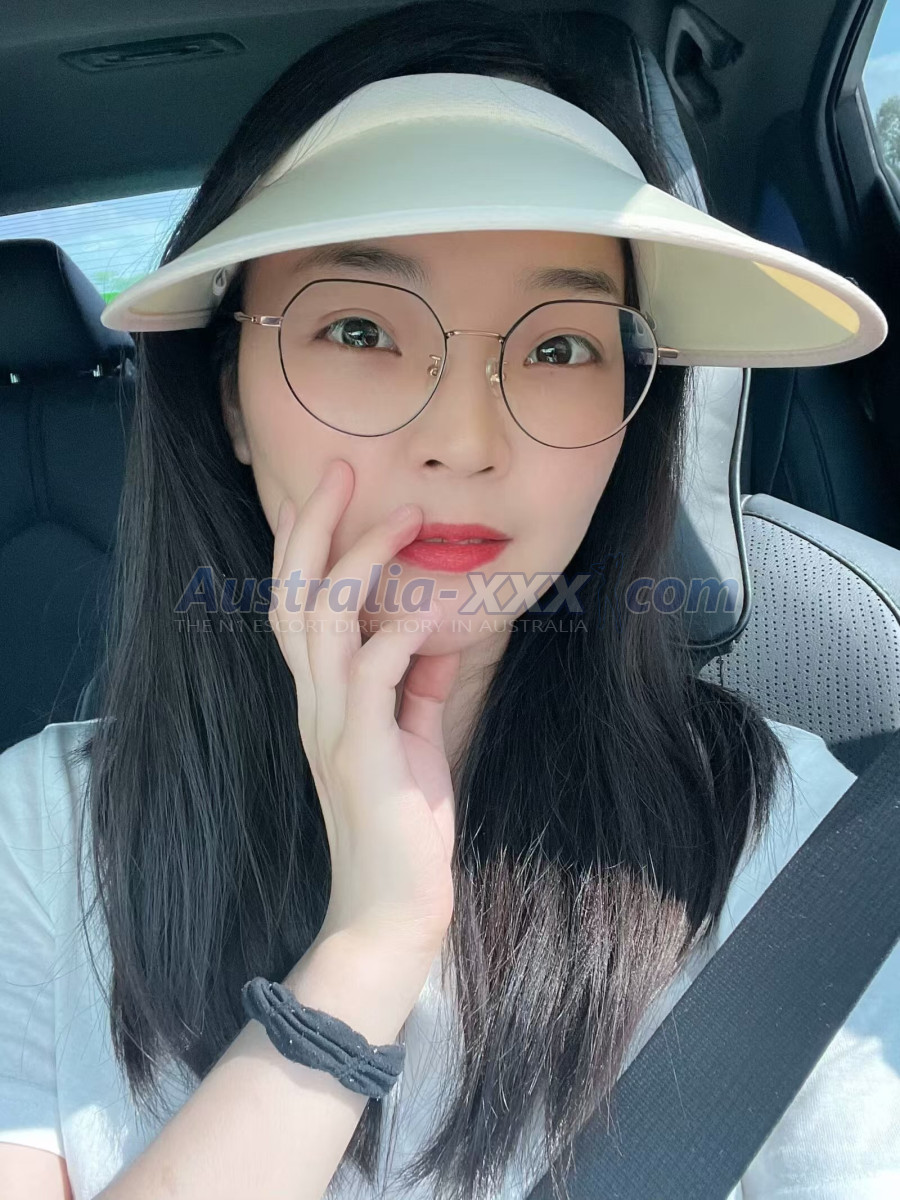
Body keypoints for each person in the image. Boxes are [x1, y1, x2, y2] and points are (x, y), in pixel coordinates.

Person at [1, 3, 898, 1199]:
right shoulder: (40, 832)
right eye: (360, 328)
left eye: (561, 347)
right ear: (228, 400)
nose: (467, 439)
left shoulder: (800, 847)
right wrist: (365, 947)